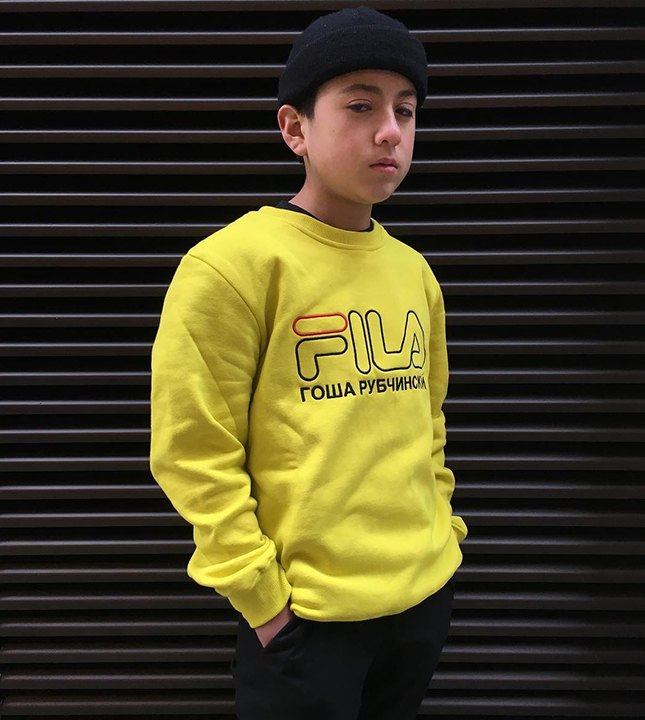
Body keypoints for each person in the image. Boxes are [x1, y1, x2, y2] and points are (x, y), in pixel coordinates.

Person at [150, 6, 467, 719]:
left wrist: (443, 536)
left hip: (421, 598)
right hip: (306, 623)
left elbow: (427, 423)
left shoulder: (413, 272)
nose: (390, 131)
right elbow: (192, 451)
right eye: (360, 105)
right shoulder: (231, 266)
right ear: (295, 128)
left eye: (405, 110)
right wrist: (263, 603)